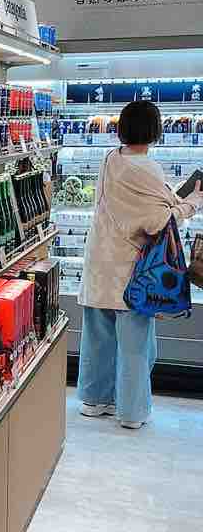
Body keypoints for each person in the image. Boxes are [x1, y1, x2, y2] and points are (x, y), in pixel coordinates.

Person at [78, 100, 203, 429]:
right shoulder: (147, 169)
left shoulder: (111, 158)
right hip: (132, 271)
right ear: (155, 130)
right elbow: (158, 222)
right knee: (135, 345)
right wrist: (192, 203)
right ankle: (132, 413)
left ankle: (94, 400)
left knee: (98, 338)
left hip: (99, 263)